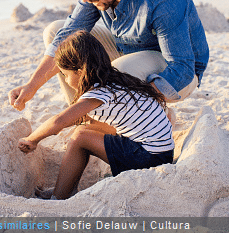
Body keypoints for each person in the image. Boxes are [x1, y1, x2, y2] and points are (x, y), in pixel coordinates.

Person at [8, 0, 209, 121]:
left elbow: (182, 69)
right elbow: (69, 33)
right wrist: (31, 87)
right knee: (56, 32)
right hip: (127, 48)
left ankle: (150, 114)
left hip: (178, 71)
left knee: (118, 73)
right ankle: (84, 115)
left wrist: (145, 102)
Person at [18, 31, 174, 200]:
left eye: (65, 74)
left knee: (80, 137)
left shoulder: (97, 94)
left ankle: (60, 196)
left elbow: (59, 121)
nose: (66, 80)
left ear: (79, 71)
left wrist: (32, 140)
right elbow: (81, 118)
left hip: (148, 158)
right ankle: (64, 187)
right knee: (86, 129)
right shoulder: (117, 80)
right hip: (162, 152)